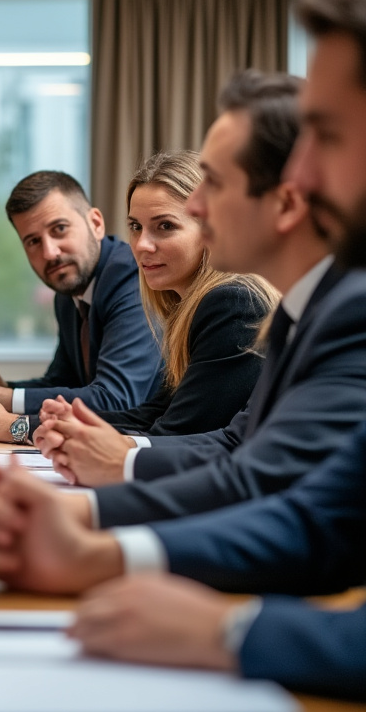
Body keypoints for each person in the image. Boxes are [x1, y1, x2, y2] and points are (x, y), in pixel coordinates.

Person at [0, 0, 366, 698]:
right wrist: (89, 534)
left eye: (327, 135)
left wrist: (226, 631)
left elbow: (268, 489)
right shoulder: (322, 304)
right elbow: (314, 513)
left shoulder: (318, 305)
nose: (199, 210)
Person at [35, 71, 366, 526]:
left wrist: (97, 504)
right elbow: (231, 442)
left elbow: (258, 481)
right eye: (135, 226)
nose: (198, 205)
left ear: (287, 202)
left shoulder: (258, 305)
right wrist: (99, 449)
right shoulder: (295, 310)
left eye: (214, 183)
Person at [29, 149, 278, 486]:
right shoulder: (186, 305)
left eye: (165, 226)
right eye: (135, 227)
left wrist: (81, 439)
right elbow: (153, 413)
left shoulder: (233, 302)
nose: (142, 245)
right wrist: (71, 426)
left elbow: (181, 431)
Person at [0, 171, 162, 442]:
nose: (50, 253)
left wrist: (5, 400)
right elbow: (63, 381)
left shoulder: (131, 277)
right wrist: (2, 386)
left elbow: (116, 398)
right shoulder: (70, 290)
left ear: (96, 223)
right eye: (33, 242)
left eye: (59, 229)